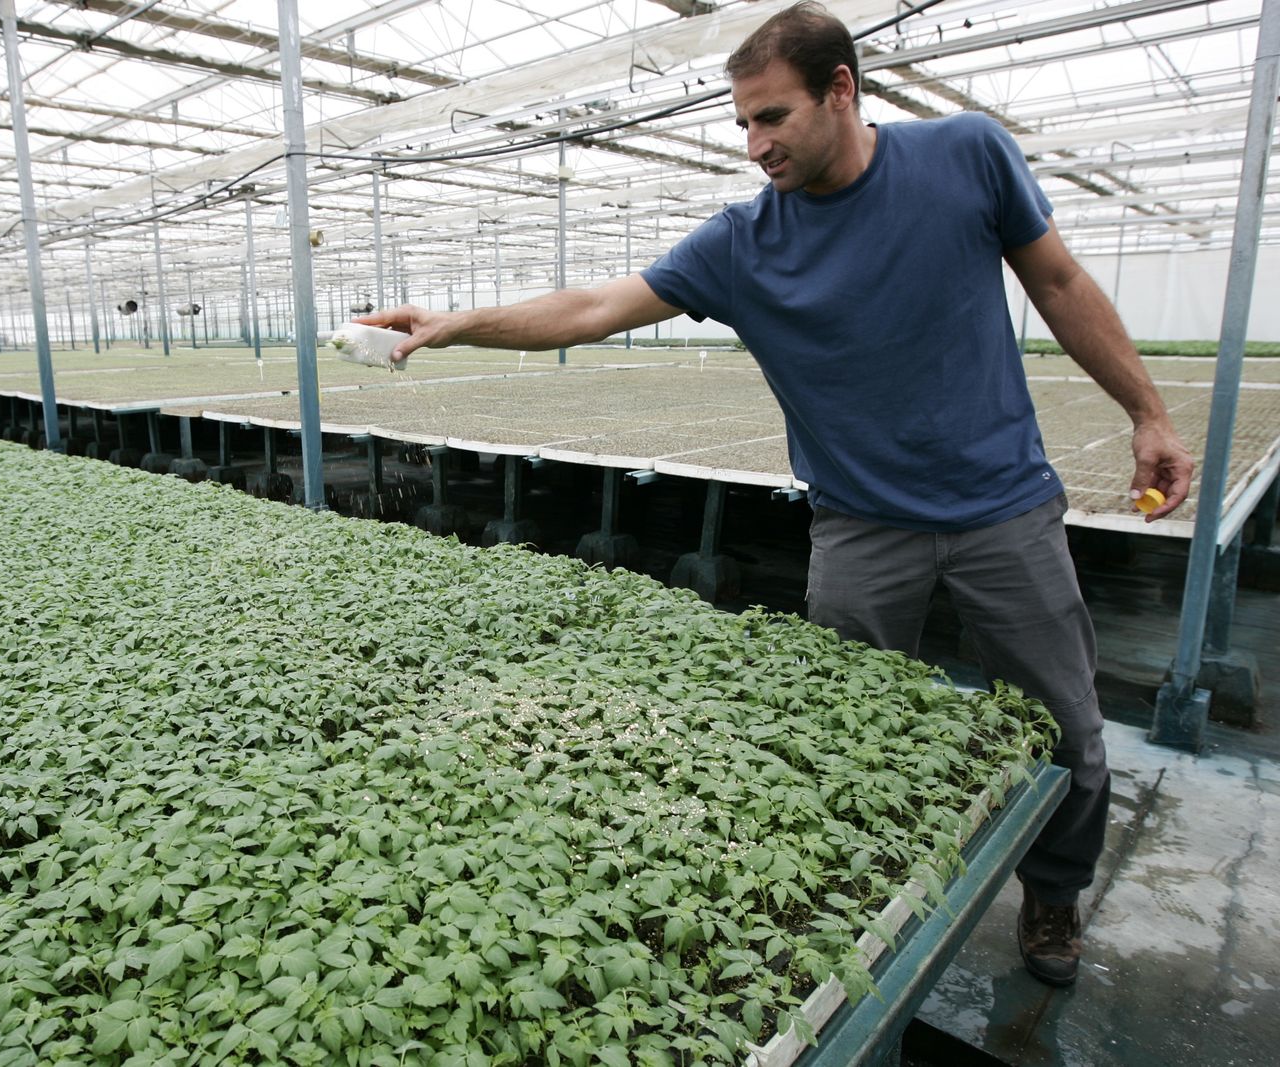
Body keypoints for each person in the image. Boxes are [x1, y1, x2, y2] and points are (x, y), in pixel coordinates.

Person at [358, 2, 1197, 986]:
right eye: (743, 124)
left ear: (840, 90)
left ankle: (1052, 891)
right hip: (859, 530)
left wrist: (1147, 414)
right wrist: (453, 323)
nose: (755, 144)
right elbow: (592, 306)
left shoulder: (966, 155)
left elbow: (1057, 281)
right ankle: (867, 901)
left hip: (1002, 509)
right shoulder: (742, 243)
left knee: (1067, 727)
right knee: (846, 736)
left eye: (772, 117)